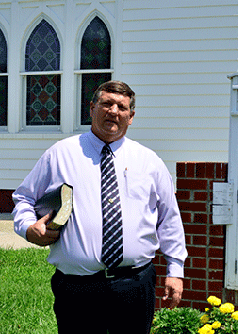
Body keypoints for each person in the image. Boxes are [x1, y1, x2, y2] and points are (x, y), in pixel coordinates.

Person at [12, 80, 188, 333]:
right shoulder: (61, 154)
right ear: (92, 108)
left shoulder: (149, 161)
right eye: (106, 104)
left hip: (134, 285)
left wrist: (175, 269)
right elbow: (24, 198)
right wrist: (29, 228)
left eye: (121, 107)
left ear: (131, 117)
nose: (113, 111)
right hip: (77, 288)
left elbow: (169, 218)